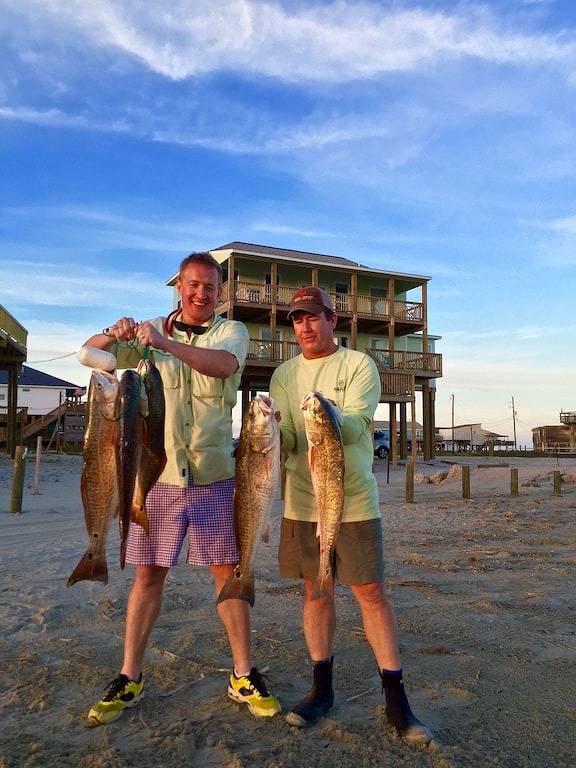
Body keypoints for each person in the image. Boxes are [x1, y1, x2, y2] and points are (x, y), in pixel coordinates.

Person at [82, 252, 280, 725]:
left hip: (215, 478)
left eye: (209, 287)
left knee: (226, 573)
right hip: (159, 480)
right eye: (192, 285)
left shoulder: (231, 332)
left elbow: (223, 366)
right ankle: (129, 675)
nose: (200, 294)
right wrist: (115, 332)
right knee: (148, 576)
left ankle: (243, 673)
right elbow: (91, 356)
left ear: (219, 292)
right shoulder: (147, 330)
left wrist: (165, 345)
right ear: (179, 289)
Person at [269, 286, 432, 746]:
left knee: (371, 592)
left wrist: (327, 415)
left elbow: (359, 425)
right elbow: (288, 438)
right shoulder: (283, 374)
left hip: (353, 499)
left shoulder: (358, 365)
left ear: (330, 321)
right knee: (315, 591)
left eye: (313, 317)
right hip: (302, 502)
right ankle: (321, 689)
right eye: (297, 320)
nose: (304, 326)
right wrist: (272, 433)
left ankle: (397, 700)